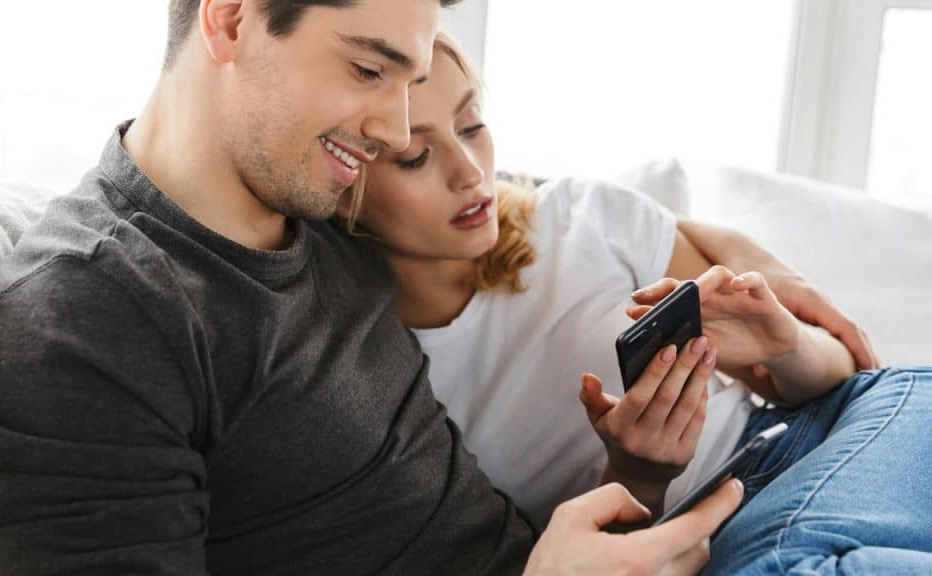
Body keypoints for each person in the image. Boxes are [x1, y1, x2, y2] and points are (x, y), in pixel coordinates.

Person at [0, 1, 745, 575]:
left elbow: (503, 202)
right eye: (368, 69)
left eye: (410, 80)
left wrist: (634, 477)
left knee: (870, 408)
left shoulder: (329, 217)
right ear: (230, 19)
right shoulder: (88, 319)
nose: (396, 129)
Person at [342, 31, 932, 573]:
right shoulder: (378, 388)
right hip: (716, 539)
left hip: (846, 429)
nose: (470, 173)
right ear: (344, 188)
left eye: (471, 125)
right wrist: (638, 476)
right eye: (416, 157)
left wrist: (787, 346)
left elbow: (847, 377)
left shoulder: (584, 217)